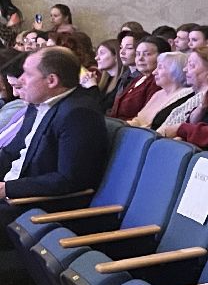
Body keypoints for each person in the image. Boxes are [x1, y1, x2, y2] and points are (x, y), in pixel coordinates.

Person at [0, 48, 109, 233]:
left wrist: (8, 189)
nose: (22, 79)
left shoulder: (79, 113)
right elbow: (12, 152)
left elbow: (69, 180)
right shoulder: (37, 105)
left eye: (27, 74)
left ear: (51, 80)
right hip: (16, 192)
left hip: (40, 206)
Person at [127, 51, 192, 130]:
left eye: (160, 67)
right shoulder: (158, 93)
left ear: (176, 71)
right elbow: (138, 121)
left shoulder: (186, 96)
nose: (154, 72)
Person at [109, 34, 165, 120]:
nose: (140, 59)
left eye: (147, 54)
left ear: (162, 57)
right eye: (138, 54)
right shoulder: (138, 79)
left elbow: (145, 118)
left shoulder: (156, 83)